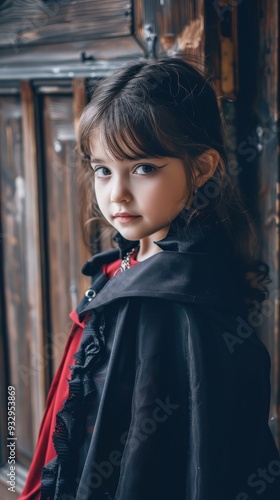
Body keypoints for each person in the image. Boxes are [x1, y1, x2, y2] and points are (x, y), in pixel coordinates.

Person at [19, 56, 280, 500]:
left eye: (143, 168)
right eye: (103, 170)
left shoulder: (178, 298)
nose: (116, 193)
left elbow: (169, 460)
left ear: (201, 168)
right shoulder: (129, 260)